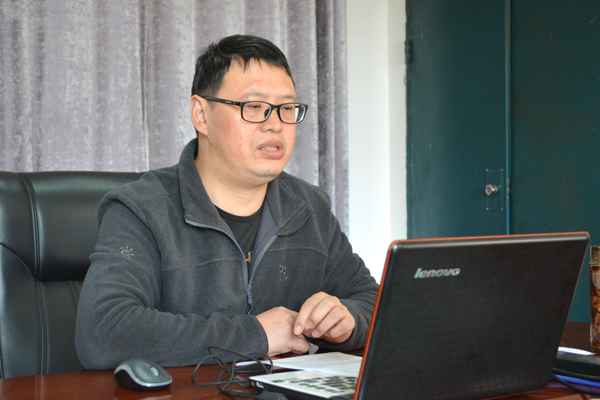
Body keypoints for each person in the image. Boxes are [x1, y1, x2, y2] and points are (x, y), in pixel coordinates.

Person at [75, 34, 379, 369]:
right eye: (254, 107)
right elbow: (104, 331)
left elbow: (374, 302)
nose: (275, 125)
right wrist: (256, 335)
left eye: (286, 108)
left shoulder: (309, 209)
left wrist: (349, 321)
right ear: (201, 115)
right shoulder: (141, 210)